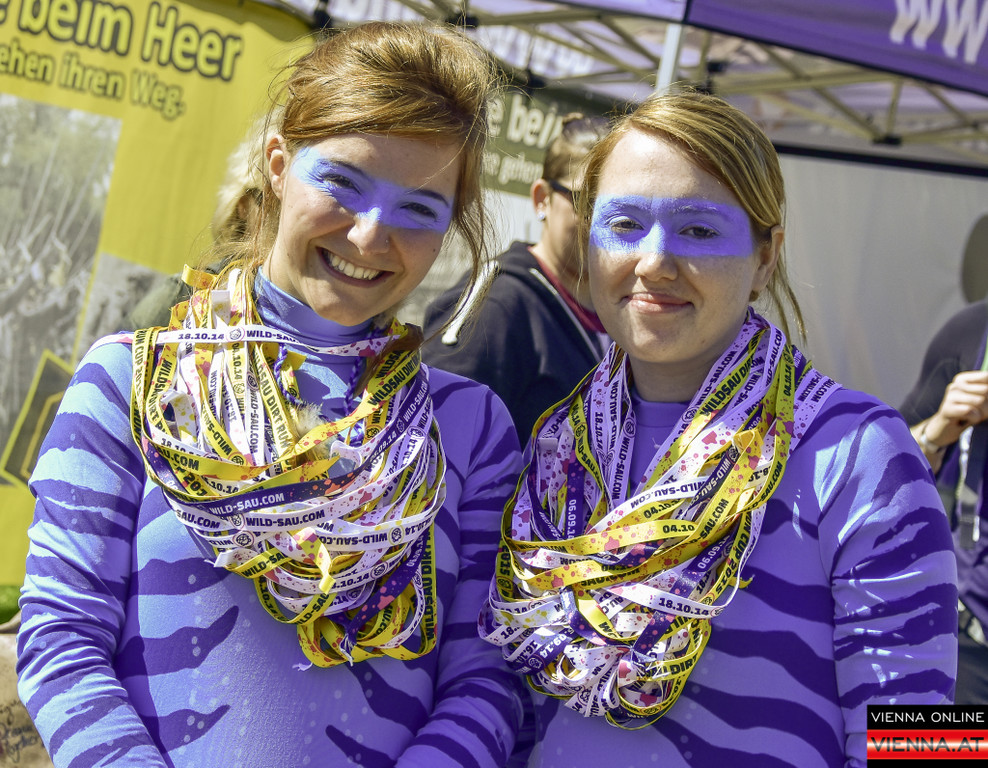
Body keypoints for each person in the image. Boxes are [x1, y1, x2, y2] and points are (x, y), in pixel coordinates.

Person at [17, 21, 526, 768]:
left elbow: (487, 680)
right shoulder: (130, 383)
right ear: (279, 165)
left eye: (420, 209)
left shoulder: (472, 428)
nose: (370, 235)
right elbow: (61, 641)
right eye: (343, 183)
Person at [480, 90, 957, 767]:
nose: (654, 261)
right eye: (624, 224)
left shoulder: (861, 453)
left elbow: (928, 743)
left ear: (766, 259)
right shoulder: (560, 446)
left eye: (699, 231)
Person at [422, 114, 611, 440]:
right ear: (542, 199)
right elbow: (437, 435)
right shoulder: (497, 303)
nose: (602, 222)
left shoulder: (619, 312)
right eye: (586, 202)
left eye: (618, 208)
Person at [900, 297, 988, 705]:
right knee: (904, 736)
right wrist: (936, 432)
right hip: (964, 640)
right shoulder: (975, 329)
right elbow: (881, 471)